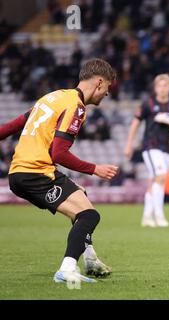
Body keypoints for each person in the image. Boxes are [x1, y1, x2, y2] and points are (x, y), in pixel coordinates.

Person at [0, 58, 118, 284]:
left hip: (19, 172)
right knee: (89, 215)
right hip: (35, 172)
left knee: (80, 198)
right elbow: (59, 154)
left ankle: (91, 259)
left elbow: (12, 126)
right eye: (108, 89)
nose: (106, 95)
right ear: (99, 83)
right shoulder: (76, 106)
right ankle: (67, 269)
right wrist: (96, 169)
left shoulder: (53, 97)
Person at [124, 74, 169, 227]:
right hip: (151, 146)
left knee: (156, 181)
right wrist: (129, 144)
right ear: (156, 87)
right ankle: (159, 216)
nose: (163, 88)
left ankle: (146, 217)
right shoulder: (148, 103)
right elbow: (135, 124)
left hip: (166, 148)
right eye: (160, 85)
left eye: (166, 85)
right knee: (161, 176)